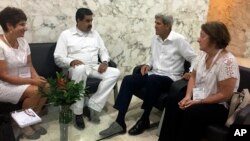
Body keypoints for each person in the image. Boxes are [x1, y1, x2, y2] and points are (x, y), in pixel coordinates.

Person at [99, 14, 196, 138]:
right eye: (155, 22)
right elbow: (152, 57)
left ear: (167, 26)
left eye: (158, 23)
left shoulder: (178, 40)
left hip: (170, 78)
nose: (155, 26)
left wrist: (191, 71)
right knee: (128, 80)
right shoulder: (155, 38)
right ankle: (119, 121)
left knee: (153, 80)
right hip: (154, 74)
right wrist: (148, 65)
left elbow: (194, 57)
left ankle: (145, 119)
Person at [158, 21, 240, 141]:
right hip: (199, 98)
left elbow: (225, 95)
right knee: (174, 100)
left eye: (202, 36)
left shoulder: (227, 62)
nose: (198, 39)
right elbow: (193, 76)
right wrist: (188, 96)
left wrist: (199, 101)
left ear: (214, 39)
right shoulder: (202, 55)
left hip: (218, 106)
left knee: (192, 112)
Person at [54, 8, 120, 129]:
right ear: (78, 20)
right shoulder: (66, 35)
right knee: (80, 69)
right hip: (76, 68)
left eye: (91, 20)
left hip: (94, 67)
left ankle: (92, 105)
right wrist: (71, 61)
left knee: (115, 72)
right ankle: (78, 113)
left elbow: (103, 50)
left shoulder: (95, 34)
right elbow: (58, 57)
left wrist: (104, 62)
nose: (90, 23)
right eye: (87, 21)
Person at [0, 7, 48, 140]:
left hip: (23, 80)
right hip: (4, 84)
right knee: (35, 91)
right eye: (22, 24)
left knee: (47, 87)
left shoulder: (23, 42)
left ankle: (33, 119)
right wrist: (33, 82)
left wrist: (37, 78)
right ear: (9, 25)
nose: (26, 27)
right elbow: (4, 76)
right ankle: (23, 124)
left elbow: (29, 65)